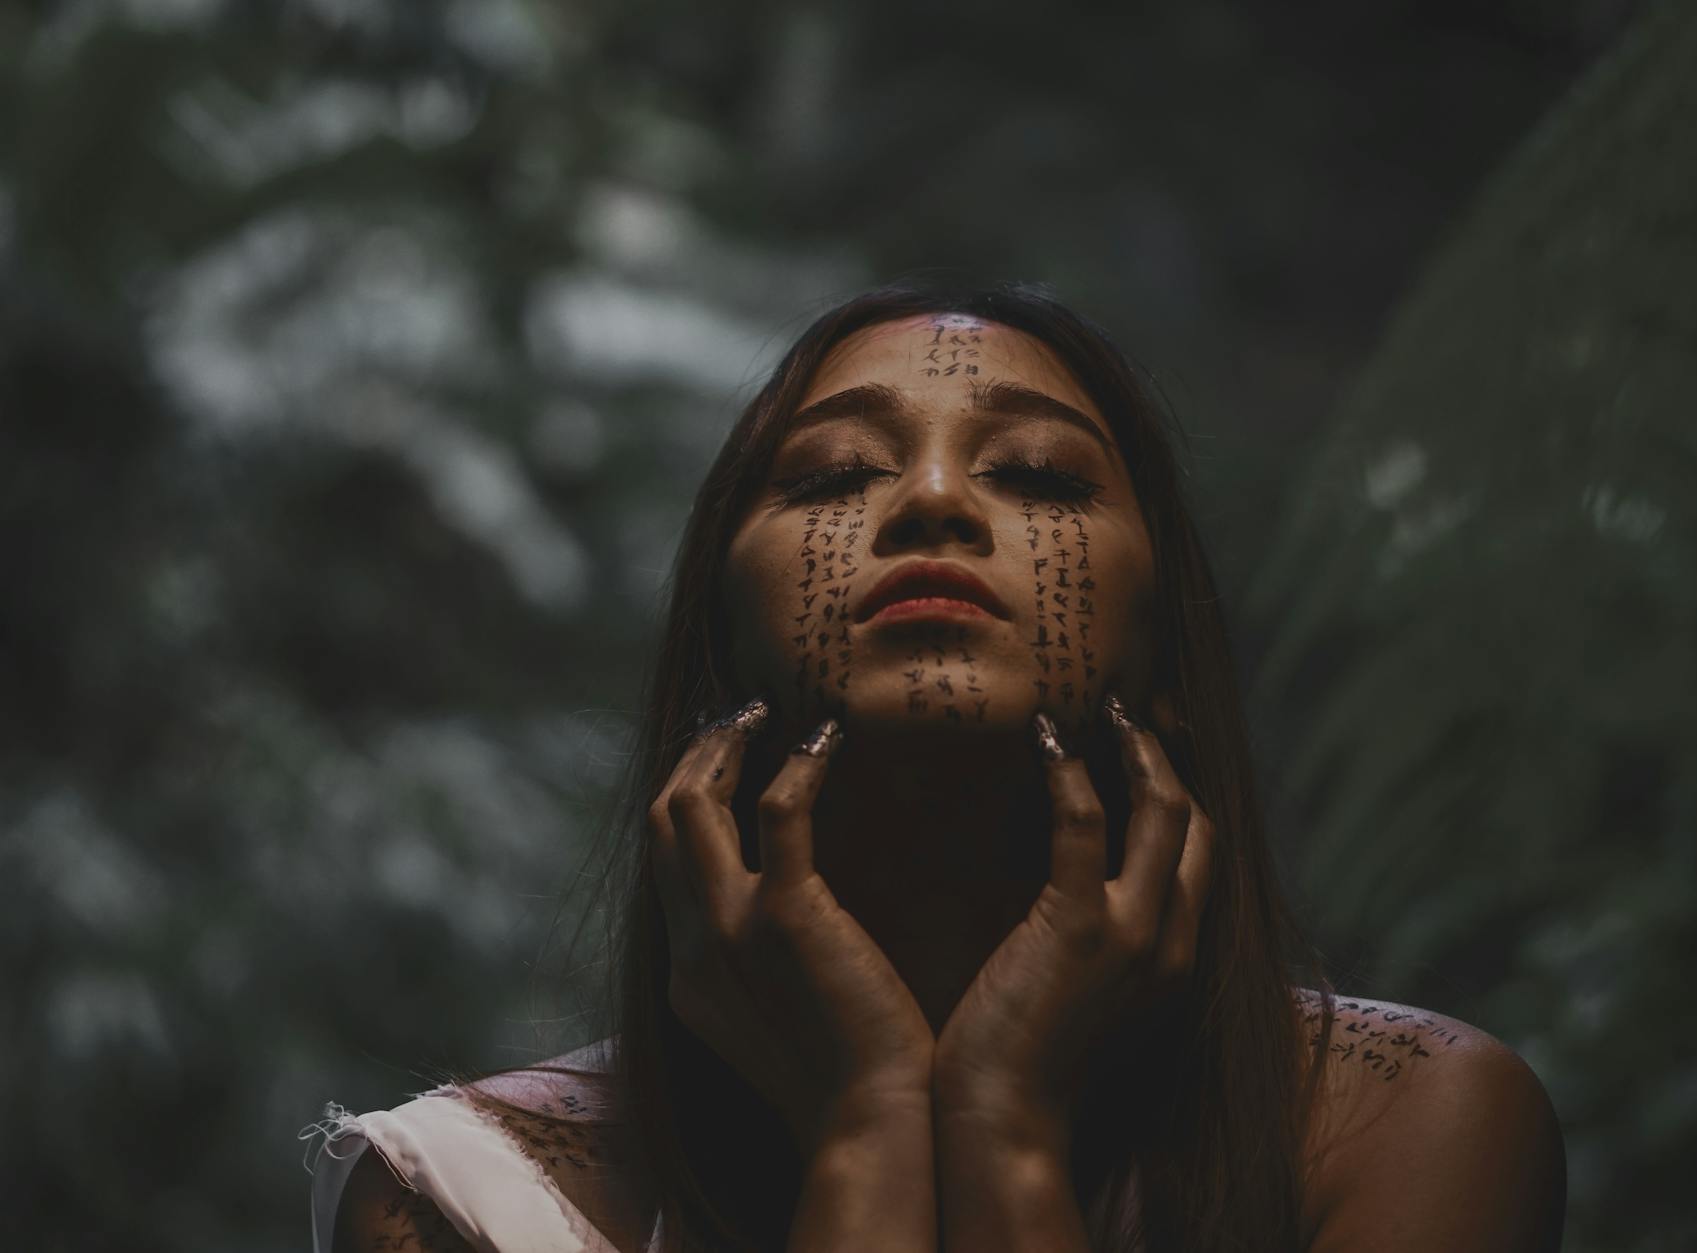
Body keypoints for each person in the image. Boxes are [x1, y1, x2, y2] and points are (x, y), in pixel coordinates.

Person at [305, 282, 1566, 1252]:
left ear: (1170, 666)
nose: (931, 499)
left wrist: (998, 1126)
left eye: (1033, 473)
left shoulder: (1400, 1126)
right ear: (711, 653)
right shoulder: (461, 1195)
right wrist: (868, 1132)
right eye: (834, 473)